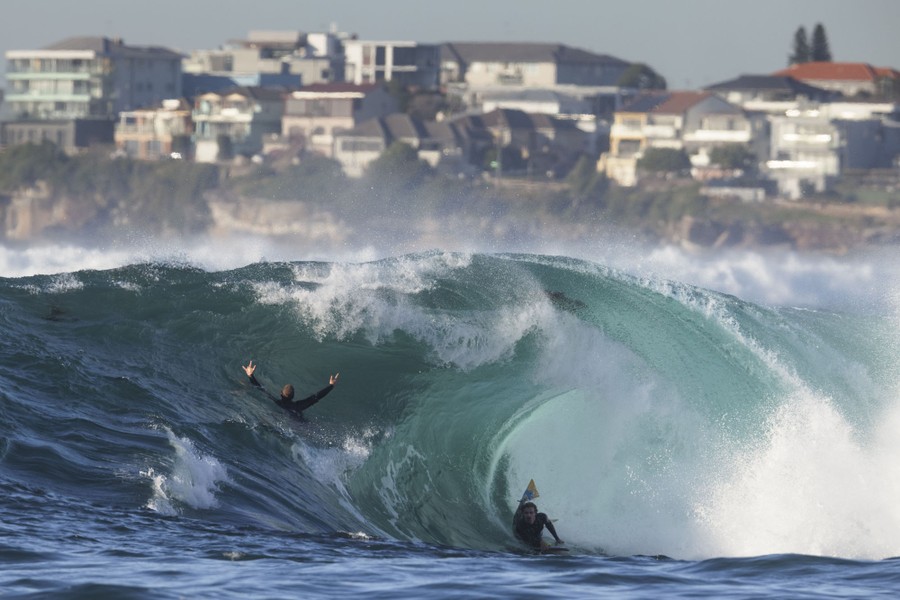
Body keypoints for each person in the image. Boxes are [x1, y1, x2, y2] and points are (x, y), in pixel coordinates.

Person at [242, 360, 339, 421]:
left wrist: (250, 375)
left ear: (281, 393)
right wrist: (331, 386)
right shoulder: (299, 406)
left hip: (288, 424)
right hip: (302, 424)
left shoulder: (277, 403)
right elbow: (317, 396)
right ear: (293, 396)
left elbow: (260, 388)